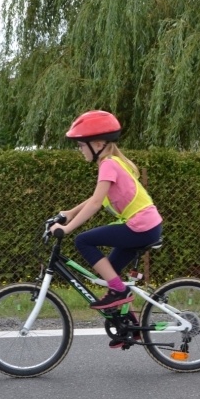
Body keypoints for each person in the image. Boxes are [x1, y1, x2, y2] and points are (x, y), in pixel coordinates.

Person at [50, 110, 163, 316]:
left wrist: (66, 229)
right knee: (111, 273)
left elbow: (94, 204)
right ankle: (130, 326)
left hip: (141, 227)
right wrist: (69, 212)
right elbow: (98, 198)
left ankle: (120, 292)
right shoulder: (113, 163)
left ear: (98, 144)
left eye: (82, 145)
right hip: (146, 226)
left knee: (83, 241)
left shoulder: (108, 164)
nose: (81, 150)